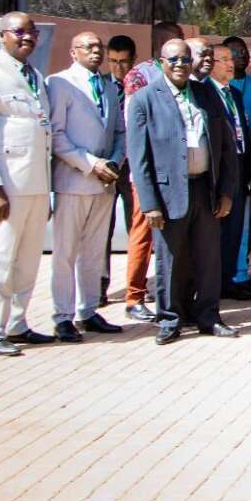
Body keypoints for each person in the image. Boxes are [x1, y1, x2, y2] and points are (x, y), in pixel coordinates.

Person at [127, 39, 239, 345]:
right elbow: (138, 158)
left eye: (184, 59)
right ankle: (170, 319)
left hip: (205, 187)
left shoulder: (206, 94)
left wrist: (226, 191)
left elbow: (226, 145)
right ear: (161, 61)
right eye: (173, 59)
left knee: (208, 258)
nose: (180, 65)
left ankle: (209, 316)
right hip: (168, 193)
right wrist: (150, 204)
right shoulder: (144, 99)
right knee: (171, 260)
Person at [0, 14, 54, 356]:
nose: (27, 37)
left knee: (28, 261)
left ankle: (17, 325)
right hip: (5, 188)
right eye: (19, 31)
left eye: (31, 31)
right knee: (0, 260)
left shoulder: (35, 76)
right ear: (2, 36)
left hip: (34, 184)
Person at [46, 31, 126, 342]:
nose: (96, 52)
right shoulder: (60, 83)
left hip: (104, 183)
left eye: (99, 47)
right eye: (88, 47)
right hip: (74, 180)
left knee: (94, 252)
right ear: (73, 51)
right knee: (66, 252)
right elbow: (56, 134)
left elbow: (119, 131)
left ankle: (88, 310)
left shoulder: (107, 87)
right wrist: (91, 163)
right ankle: (63, 316)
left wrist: (115, 162)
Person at [118, 19, 186, 323]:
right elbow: (136, 128)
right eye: (177, 41)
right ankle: (134, 296)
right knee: (144, 231)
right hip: (150, 172)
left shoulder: (183, 76)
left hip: (179, 171)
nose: (183, 53)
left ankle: (169, 294)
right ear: (162, 45)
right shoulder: (140, 76)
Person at [197, 39, 251, 301]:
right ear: (209, 64)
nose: (230, 64)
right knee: (213, 234)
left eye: (232, 59)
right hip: (214, 173)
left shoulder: (235, 93)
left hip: (238, 169)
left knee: (234, 230)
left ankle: (227, 280)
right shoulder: (201, 92)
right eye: (224, 60)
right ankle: (209, 286)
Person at [100, 33, 137, 305]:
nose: (118, 67)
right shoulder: (100, 86)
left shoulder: (143, 86)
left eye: (123, 62)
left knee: (136, 227)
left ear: (133, 60)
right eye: (113, 61)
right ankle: (99, 285)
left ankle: (135, 285)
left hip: (134, 166)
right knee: (102, 228)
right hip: (108, 166)